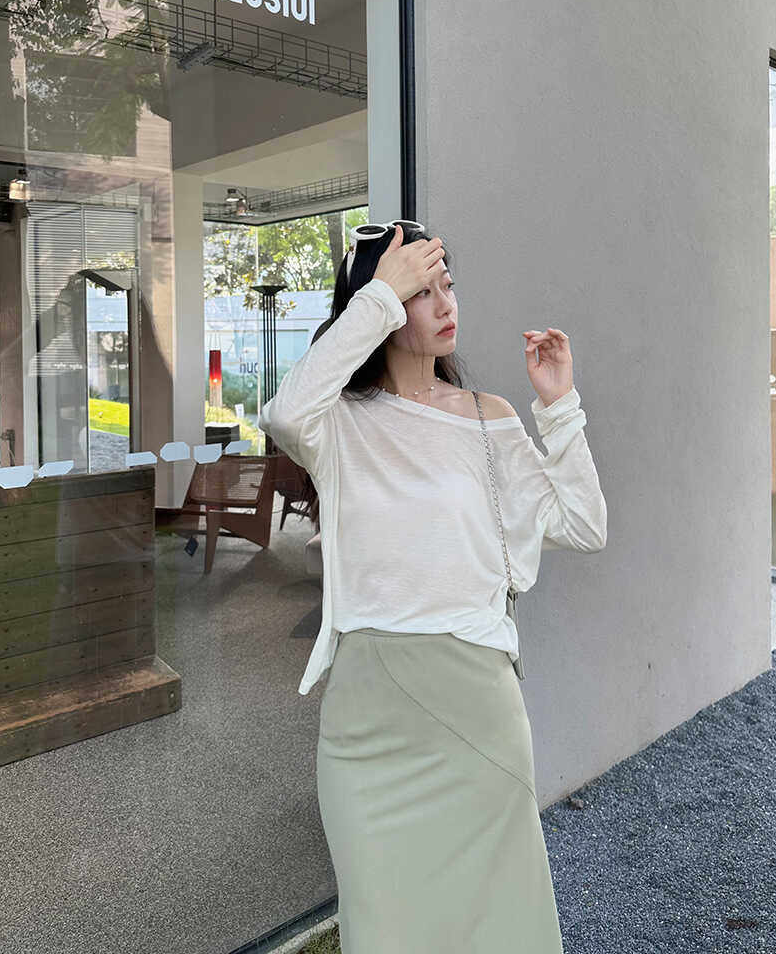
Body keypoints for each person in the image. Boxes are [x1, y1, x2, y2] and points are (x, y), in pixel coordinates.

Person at [259, 220, 608, 953]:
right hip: (368, 724)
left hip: (476, 705)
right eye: (423, 290)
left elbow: (582, 524)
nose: (446, 303)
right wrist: (382, 294)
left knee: (498, 927)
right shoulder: (339, 425)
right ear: (383, 302)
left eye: (447, 284)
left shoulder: (487, 418)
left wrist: (559, 407)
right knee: (383, 930)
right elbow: (284, 412)